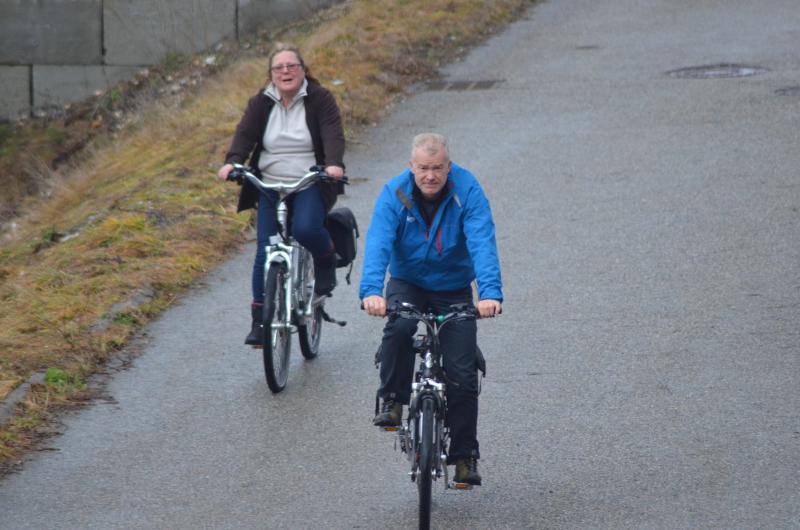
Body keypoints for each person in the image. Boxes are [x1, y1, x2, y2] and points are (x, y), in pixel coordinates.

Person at [360, 133, 503, 486]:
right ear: (412, 167)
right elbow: (378, 241)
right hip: (408, 282)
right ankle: (392, 400)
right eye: (423, 168)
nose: (430, 176)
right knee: (400, 327)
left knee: (463, 373)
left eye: (437, 168)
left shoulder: (466, 191)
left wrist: (489, 294)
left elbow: (482, 239)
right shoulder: (395, 193)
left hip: (453, 286)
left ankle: (465, 457)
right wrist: (371, 293)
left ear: (448, 166)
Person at [218, 43, 345, 347]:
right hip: (270, 184)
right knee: (265, 250)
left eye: (292, 66)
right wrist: (233, 162)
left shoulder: (320, 99)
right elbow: (245, 134)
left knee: (304, 229)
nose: (285, 71)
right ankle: (260, 322)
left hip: (308, 181)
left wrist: (333, 164)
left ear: (303, 70)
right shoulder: (261, 102)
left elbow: (332, 132)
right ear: (271, 74)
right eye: (279, 67)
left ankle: (326, 259)